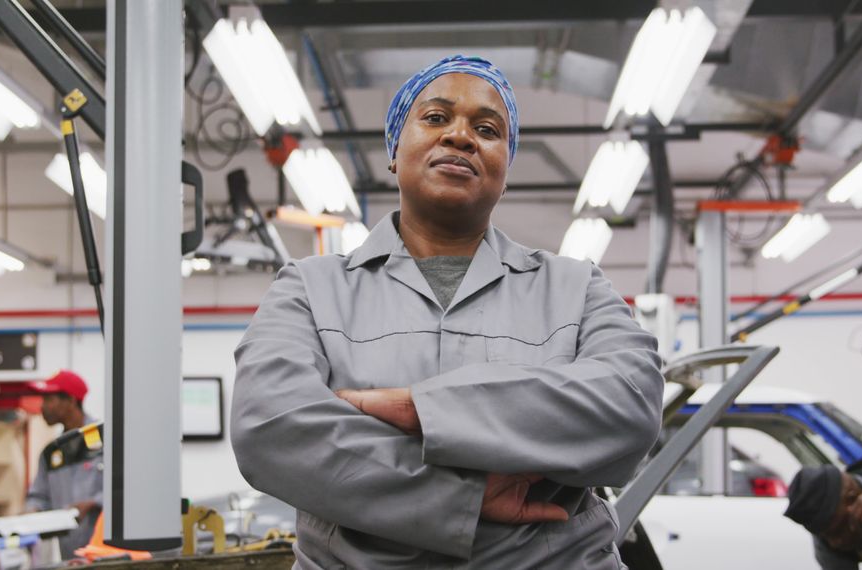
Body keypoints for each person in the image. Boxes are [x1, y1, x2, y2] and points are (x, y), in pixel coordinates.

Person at [231, 55, 664, 568]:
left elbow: (632, 404)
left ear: (505, 168)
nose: (461, 136)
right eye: (435, 118)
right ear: (395, 150)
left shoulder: (576, 286)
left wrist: (423, 408)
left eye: (487, 129)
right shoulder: (308, 287)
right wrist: (464, 499)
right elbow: (270, 427)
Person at [25, 369, 103, 560]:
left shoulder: (106, 439)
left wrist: (93, 502)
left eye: (49, 400)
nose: (42, 407)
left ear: (71, 401)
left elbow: (128, 489)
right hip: (69, 556)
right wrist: (32, 512)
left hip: (105, 554)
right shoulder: (51, 452)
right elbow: (39, 496)